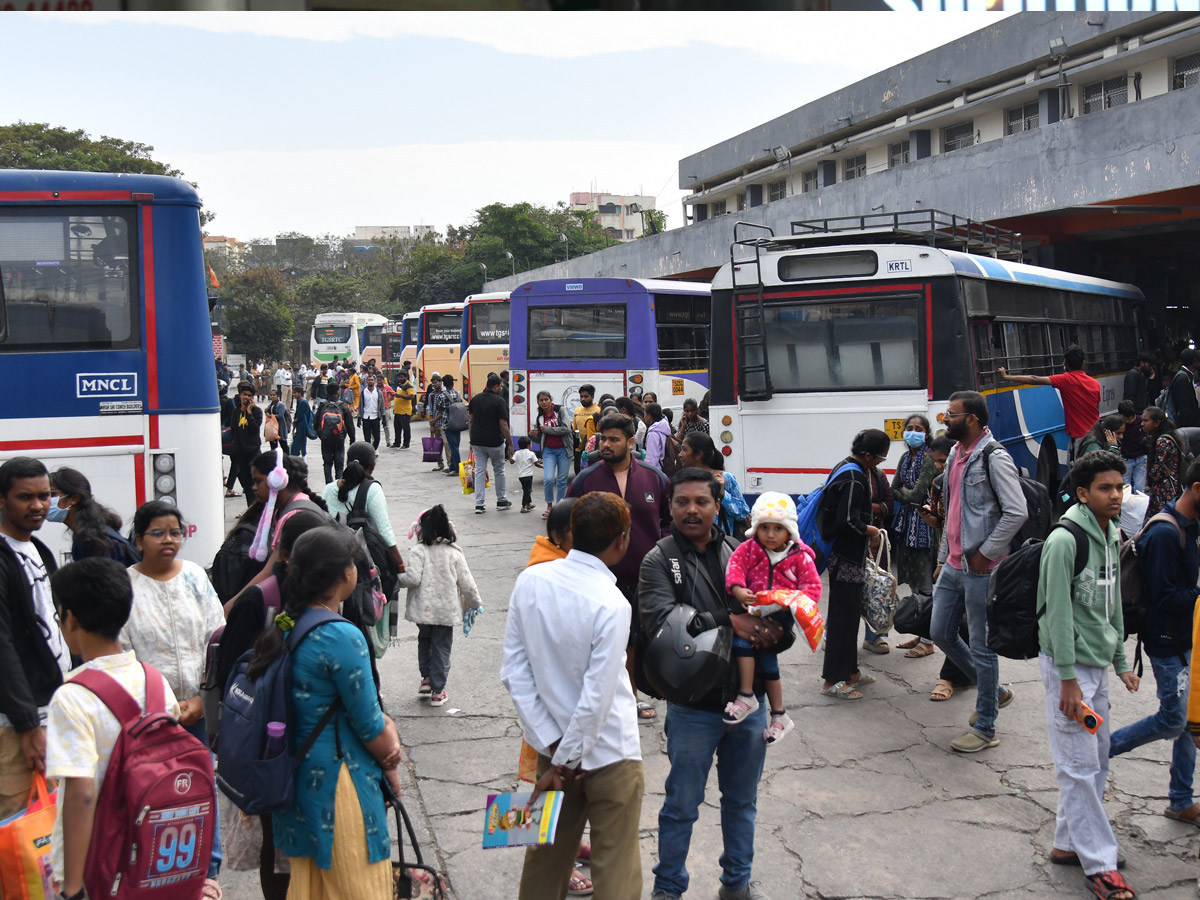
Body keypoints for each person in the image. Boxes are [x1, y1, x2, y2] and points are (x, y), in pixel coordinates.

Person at [641, 469, 793, 900]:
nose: (692, 510)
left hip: (749, 705)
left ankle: (736, 885)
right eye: (682, 501)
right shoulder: (659, 560)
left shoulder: (743, 551)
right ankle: (668, 889)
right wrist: (734, 621)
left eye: (701, 502)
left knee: (741, 804)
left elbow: (776, 611)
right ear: (669, 507)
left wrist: (777, 634)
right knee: (680, 807)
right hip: (694, 707)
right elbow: (661, 627)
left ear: (716, 506)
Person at [501, 492, 644, 900]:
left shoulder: (531, 580)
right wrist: (567, 759)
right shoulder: (612, 602)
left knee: (544, 864)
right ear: (621, 540)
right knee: (616, 867)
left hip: (551, 752)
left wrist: (553, 748)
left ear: (570, 534)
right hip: (611, 753)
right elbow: (598, 697)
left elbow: (513, 672)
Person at [45, 558, 214, 899]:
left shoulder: (72, 696)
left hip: (99, 862)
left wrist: (73, 888)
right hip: (150, 858)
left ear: (71, 618)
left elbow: (81, 793)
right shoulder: (153, 680)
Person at [252, 526, 402, 899]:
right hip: (340, 786)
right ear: (344, 574)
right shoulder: (341, 635)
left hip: (300, 782)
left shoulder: (288, 624)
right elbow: (370, 724)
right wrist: (392, 750)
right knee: (357, 887)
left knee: (312, 888)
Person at [1038, 451, 1139, 900]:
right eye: (1105, 488)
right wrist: (1067, 679)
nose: (1116, 495)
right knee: (1078, 767)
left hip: (1096, 664)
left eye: (1119, 486)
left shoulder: (1112, 530)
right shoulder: (1064, 540)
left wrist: (1120, 661)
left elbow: (1111, 603)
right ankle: (1099, 864)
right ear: (1083, 493)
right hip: (1070, 667)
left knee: (1095, 757)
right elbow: (1058, 614)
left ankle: (1066, 843)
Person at [121, 500, 225, 888]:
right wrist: (164, 707)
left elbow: (217, 638)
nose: (169, 540)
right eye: (158, 533)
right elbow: (121, 651)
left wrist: (201, 699)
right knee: (154, 796)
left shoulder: (196, 577)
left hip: (197, 712)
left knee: (203, 788)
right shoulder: (126, 587)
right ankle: (158, 876)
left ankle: (207, 874)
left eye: (175, 532)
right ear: (139, 539)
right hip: (148, 717)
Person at [931, 391, 1027, 751]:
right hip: (954, 565)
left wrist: (987, 554)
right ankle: (996, 691)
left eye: (951, 414)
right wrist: (943, 557)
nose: (945, 419)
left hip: (981, 570)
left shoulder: (994, 457)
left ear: (971, 419)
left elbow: (1016, 512)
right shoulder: (956, 454)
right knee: (940, 632)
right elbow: (953, 510)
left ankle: (986, 726)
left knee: (982, 648)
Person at [1112, 458, 1200, 829]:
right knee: (1173, 720)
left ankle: (1180, 800)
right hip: (1166, 642)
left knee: (1190, 724)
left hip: (1185, 638)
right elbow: (1164, 598)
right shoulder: (1166, 533)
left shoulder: (1187, 525)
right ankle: (1099, 750)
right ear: (1196, 489)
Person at [568, 413, 671, 721]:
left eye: (614, 439)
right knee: (603, 639)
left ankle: (633, 695)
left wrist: (660, 550)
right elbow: (569, 520)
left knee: (637, 640)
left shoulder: (655, 477)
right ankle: (605, 697)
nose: (606, 444)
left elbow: (667, 520)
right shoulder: (587, 479)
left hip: (646, 576)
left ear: (631, 442)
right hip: (598, 578)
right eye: (603, 438)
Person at [0, 457, 69, 820]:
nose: (39, 505)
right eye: (25, 497)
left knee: (45, 838)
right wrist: (27, 725)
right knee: (17, 836)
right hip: (15, 727)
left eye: (45, 496)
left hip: (48, 714)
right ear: (1, 500)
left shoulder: (38, 550)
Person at [723, 492, 821, 744]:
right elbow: (735, 567)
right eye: (764, 527)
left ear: (789, 530)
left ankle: (760, 703)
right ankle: (773, 711)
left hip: (781, 617)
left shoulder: (800, 556)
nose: (770, 534)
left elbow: (812, 589)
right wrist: (737, 589)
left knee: (762, 654)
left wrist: (790, 602)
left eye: (778, 528)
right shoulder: (749, 549)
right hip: (754, 610)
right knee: (748, 648)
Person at [817, 430, 886, 701]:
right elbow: (847, 521)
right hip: (846, 558)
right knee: (842, 620)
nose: (879, 463)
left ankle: (851, 672)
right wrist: (869, 530)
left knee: (848, 616)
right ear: (868, 455)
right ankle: (832, 680)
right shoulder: (856, 476)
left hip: (843, 556)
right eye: (879, 458)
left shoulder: (844, 466)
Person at [398, 505, 482, 707]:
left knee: (425, 641)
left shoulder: (418, 551)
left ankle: (426, 678)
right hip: (446, 612)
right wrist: (475, 602)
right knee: (441, 647)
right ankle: (438, 691)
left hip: (422, 611)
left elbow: (412, 578)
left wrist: (395, 576)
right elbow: (467, 582)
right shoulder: (454, 553)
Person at [890, 416, 938, 655]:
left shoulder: (929, 459)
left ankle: (928, 641)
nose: (913, 432)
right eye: (909, 429)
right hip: (907, 524)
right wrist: (907, 494)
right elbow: (893, 489)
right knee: (914, 583)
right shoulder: (905, 458)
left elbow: (917, 493)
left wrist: (906, 494)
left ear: (926, 433)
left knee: (925, 582)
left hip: (924, 526)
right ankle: (921, 633)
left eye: (918, 429)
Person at [999, 345, 1100, 458]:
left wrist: (1007, 376)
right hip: (1096, 435)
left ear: (1065, 363)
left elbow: (1034, 379)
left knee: (1082, 471)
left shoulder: (1066, 380)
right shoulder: (1095, 384)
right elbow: (1096, 408)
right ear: (1083, 363)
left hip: (1080, 437)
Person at [321, 441, 404, 566]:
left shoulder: (328, 489)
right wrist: (399, 563)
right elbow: (384, 530)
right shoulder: (372, 489)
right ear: (372, 466)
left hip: (332, 560)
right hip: (363, 562)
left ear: (347, 462)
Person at [47, 467, 135, 563]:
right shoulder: (94, 532)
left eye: (52, 494)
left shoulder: (92, 542)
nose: (44, 501)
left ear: (74, 498)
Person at [678, 432, 751, 538]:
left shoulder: (726, 478)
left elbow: (743, 512)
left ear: (698, 455)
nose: (680, 454)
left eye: (684, 450)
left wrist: (722, 493)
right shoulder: (683, 480)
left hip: (720, 545)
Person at [468, 373, 514, 513]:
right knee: (499, 470)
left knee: (480, 471)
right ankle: (501, 500)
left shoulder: (475, 399)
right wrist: (510, 444)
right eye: (500, 386)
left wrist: (471, 439)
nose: (501, 388)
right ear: (495, 387)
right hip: (495, 442)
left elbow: (471, 420)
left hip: (477, 441)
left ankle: (479, 504)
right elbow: (503, 425)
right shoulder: (499, 401)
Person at [530, 390, 574, 517]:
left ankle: (559, 507)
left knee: (561, 480)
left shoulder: (560, 411)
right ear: (538, 402)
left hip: (564, 449)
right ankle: (549, 506)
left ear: (551, 399)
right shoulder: (540, 416)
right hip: (548, 450)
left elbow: (566, 429)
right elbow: (540, 437)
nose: (544, 402)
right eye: (541, 400)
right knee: (548, 479)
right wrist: (532, 435)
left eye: (546, 399)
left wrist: (547, 429)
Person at [1142, 406, 1185, 517]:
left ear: (1157, 423)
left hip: (1164, 490)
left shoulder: (1162, 441)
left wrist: (1152, 474)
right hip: (1171, 486)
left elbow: (1156, 471)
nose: (1142, 424)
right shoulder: (1169, 436)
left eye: (1146, 420)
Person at [228, 380, 263, 504]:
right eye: (245, 394)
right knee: (245, 483)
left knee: (255, 483)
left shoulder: (257, 412)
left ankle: (257, 509)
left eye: (249, 395)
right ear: (240, 395)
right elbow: (233, 429)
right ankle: (250, 507)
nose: (246, 397)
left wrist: (248, 412)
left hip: (253, 453)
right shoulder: (236, 412)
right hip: (240, 453)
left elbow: (254, 429)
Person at [316, 389, 357, 484]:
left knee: (327, 463)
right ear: (338, 392)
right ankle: (338, 484)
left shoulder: (323, 405)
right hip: (339, 439)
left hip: (326, 439)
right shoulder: (342, 406)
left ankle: (328, 485)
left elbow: (316, 422)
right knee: (339, 464)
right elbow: (350, 424)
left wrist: (321, 435)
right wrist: (352, 438)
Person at [1118, 400, 1147, 493]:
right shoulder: (1120, 425)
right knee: (1125, 488)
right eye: (1127, 418)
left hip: (1141, 458)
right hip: (1126, 458)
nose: (1130, 420)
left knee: (1139, 488)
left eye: (1132, 417)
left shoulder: (1141, 422)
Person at [572, 385, 601, 475]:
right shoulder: (577, 411)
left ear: (592, 397)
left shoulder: (598, 410)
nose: (583, 399)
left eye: (586, 396)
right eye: (581, 396)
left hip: (593, 450)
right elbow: (575, 429)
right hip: (579, 450)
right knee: (579, 474)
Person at [1168, 347, 1200, 428]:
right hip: (1186, 423)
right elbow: (1183, 404)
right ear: (1194, 360)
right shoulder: (1182, 377)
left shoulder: (1186, 375)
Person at [426, 373, 450, 472]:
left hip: (443, 423)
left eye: (436, 383)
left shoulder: (444, 394)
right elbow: (430, 410)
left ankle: (450, 463)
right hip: (435, 424)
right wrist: (431, 423)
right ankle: (440, 464)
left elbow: (443, 410)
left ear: (441, 383)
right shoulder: (431, 395)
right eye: (433, 383)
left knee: (446, 444)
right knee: (436, 445)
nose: (434, 385)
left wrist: (434, 420)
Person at [643, 402, 674, 471]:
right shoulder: (664, 428)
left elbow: (652, 459)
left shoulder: (653, 433)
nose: (644, 417)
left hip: (657, 471)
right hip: (665, 466)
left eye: (645, 414)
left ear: (649, 416)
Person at [513, 436, 538, 513]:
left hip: (521, 476)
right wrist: (543, 466)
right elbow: (536, 463)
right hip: (529, 475)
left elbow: (511, 461)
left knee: (526, 489)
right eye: (531, 444)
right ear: (528, 445)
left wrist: (510, 454)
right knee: (527, 491)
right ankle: (523, 506)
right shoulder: (531, 453)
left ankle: (528, 504)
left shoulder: (517, 452)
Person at [290, 391, 318, 459]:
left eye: (295, 393)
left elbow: (302, 415)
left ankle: (295, 457)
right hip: (301, 424)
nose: (294, 394)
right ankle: (303, 457)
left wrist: (296, 420)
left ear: (299, 393)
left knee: (297, 442)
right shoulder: (300, 401)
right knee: (302, 442)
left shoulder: (303, 402)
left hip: (302, 425)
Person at [359, 373, 383, 450]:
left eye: (372, 380)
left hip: (375, 416)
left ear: (374, 381)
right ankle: (369, 451)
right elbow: (361, 405)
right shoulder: (363, 393)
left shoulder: (378, 392)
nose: (370, 381)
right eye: (369, 380)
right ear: (366, 381)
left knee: (377, 437)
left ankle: (373, 449)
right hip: (366, 417)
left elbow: (381, 405)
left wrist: (383, 416)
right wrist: (359, 417)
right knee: (367, 438)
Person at [392, 372, 416, 449]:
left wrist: (400, 396)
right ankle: (397, 443)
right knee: (397, 428)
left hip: (405, 411)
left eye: (401, 377)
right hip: (398, 411)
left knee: (405, 428)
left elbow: (411, 396)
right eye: (399, 377)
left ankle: (406, 444)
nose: (400, 379)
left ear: (405, 377)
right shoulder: (400, 385)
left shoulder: (408, 385)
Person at [266, 388, 291, 453]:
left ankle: (288, 459)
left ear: (277, 396)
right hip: (273, 428)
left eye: (274, 395)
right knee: (273, 447)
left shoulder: (281, 405)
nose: (272, 396)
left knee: (284, 445)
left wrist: (271, 416)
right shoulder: (270, 405)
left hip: (280, 427)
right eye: (271, 395)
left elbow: (280, 415)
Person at [379, 375, 395, 450]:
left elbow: (393, 394)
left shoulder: (387, 387)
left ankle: (388, 441)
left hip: (385, 408)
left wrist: (388, 400)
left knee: (386, 426)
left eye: (380, 380)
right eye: (378, 380)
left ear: (383, 380)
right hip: (376, 410)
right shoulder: (375, 388)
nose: (379, 382)